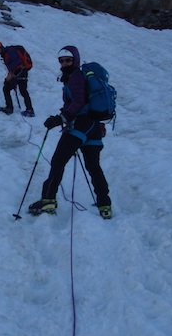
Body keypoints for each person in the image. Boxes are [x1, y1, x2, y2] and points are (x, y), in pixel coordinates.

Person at [29, 45, 112, 218]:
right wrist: (64, 114)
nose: (64, 63)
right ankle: (105, 205)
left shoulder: (76, 77)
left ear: (76, 59)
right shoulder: (75, 77)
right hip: (93, 127)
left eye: (68, 60)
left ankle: (48, 200)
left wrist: (61, 118)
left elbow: (79, 101)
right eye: (62, 60)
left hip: (81, 124)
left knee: (58, 161)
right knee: (93, 166)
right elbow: (77, 101)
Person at [0, 41, 34, 116]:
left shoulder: (9, 52)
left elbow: (16, 63)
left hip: (21, 71)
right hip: (19, 72)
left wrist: (10, 75)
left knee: (21, 90)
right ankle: (24, 109)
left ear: (1, 47)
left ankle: (27, 110)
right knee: (9, 88)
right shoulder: (7, 53)